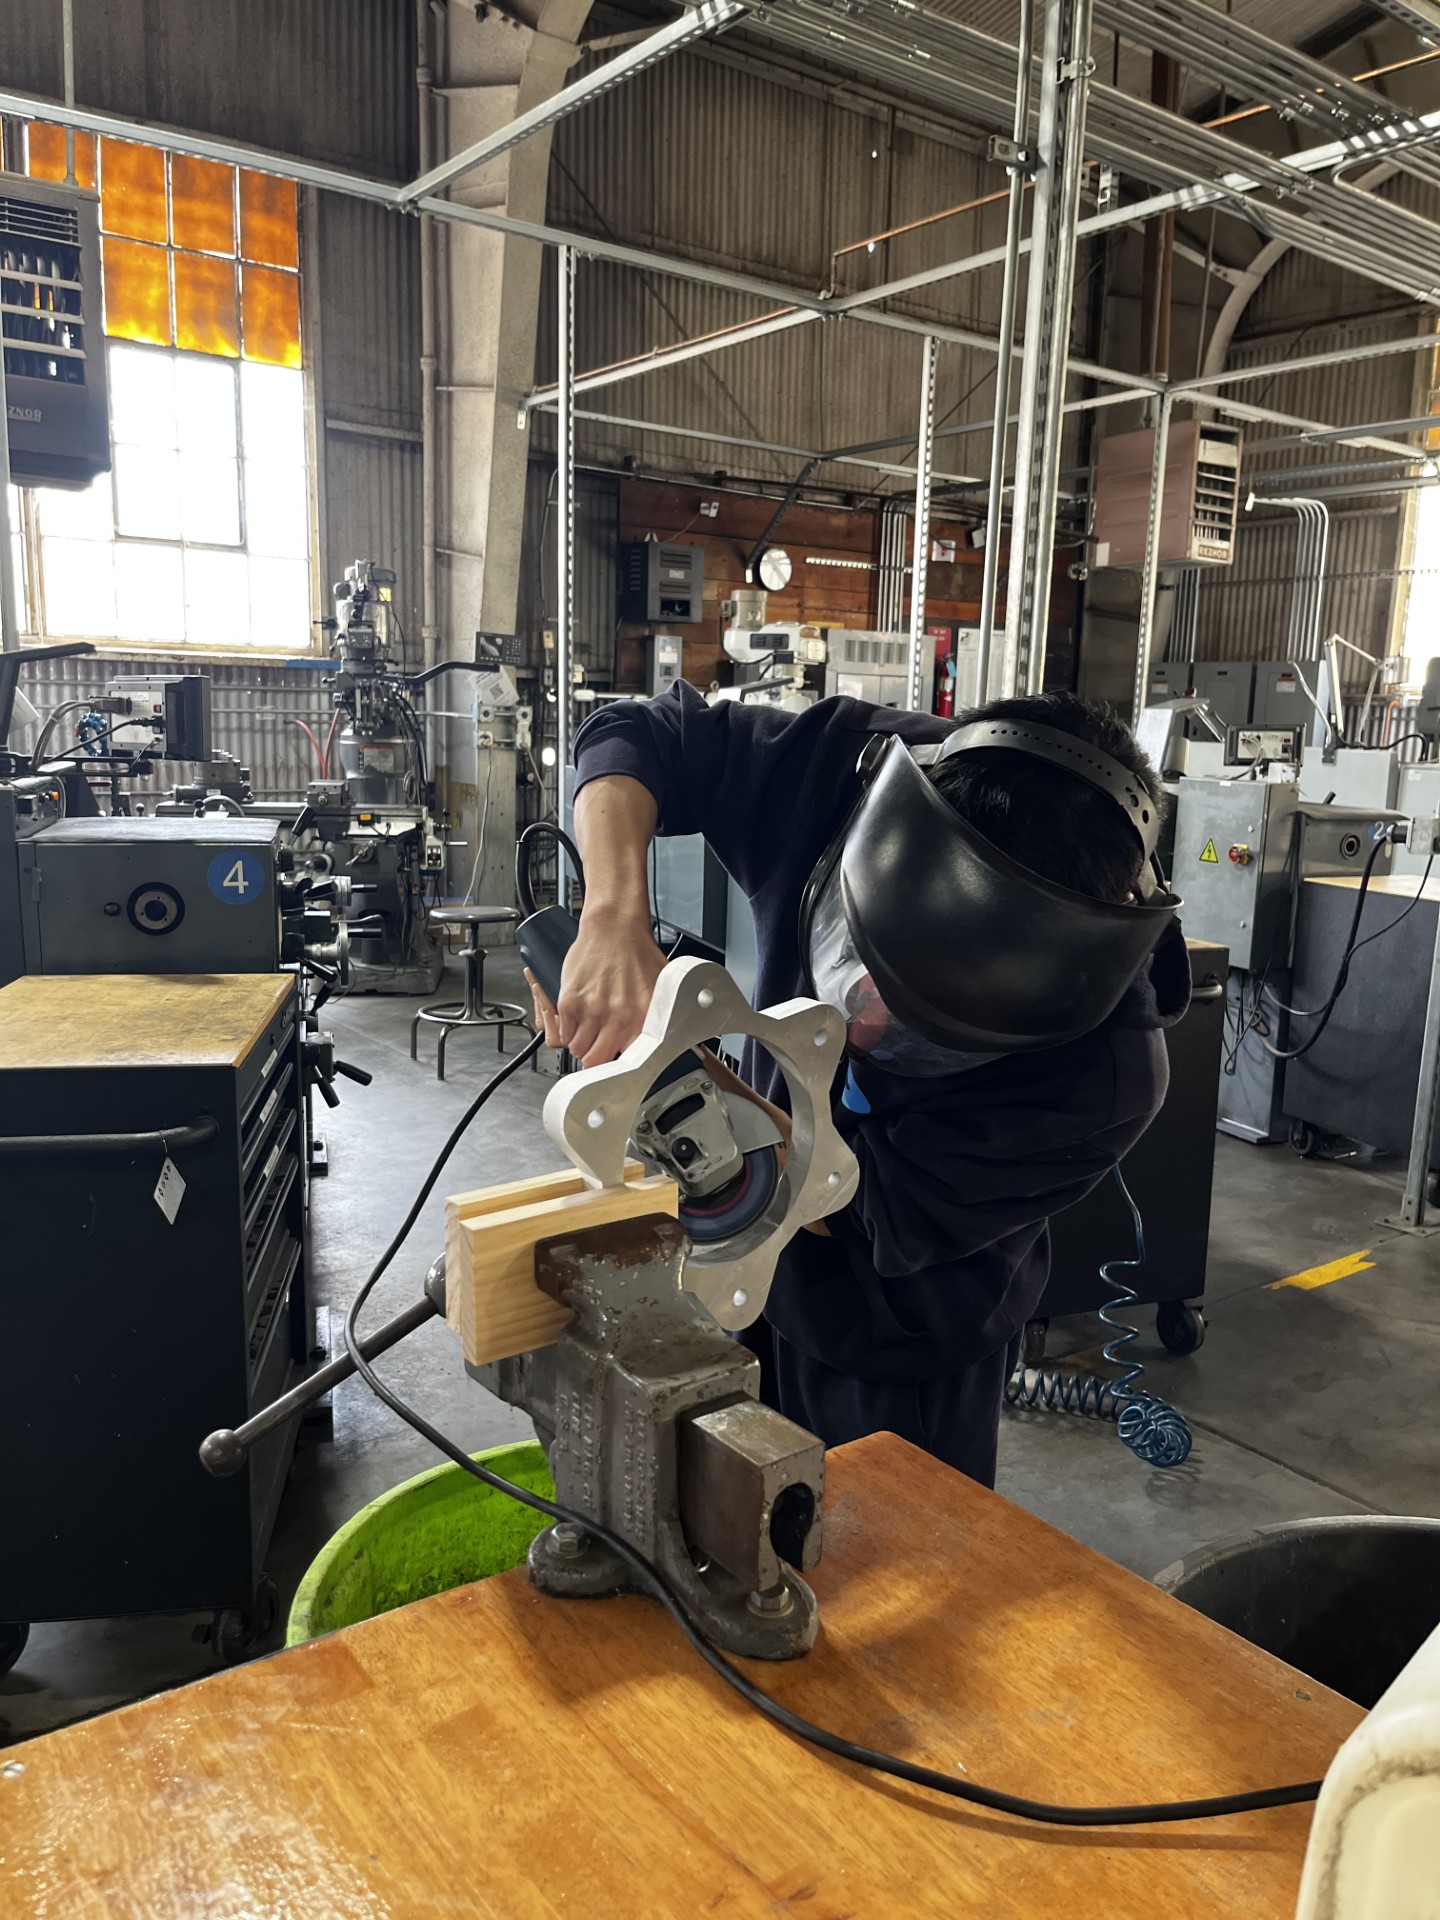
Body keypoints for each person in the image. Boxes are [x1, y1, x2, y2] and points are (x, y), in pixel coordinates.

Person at [526, 682, 1189, 1487]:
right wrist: (609, 918)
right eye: (859, 960)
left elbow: (857, 1208)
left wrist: (681, 1075)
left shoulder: (1102, 1075)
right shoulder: (850, 767)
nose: (863, 1022)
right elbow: (635, 729)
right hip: (750, 1282)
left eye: (927, 1025)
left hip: (901, 1352)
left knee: (881, 1582)